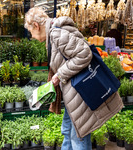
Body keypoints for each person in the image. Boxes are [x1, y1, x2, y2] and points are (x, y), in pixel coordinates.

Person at [24, 7, 123, 150]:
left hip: (80, 93)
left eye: (30, 32)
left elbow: (84, 54)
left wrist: (59, 75)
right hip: (74, 94)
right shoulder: (54, 33)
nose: (31, 36)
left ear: (36, 25)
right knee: (67, 131)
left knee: (79, 138)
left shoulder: (57, 33)